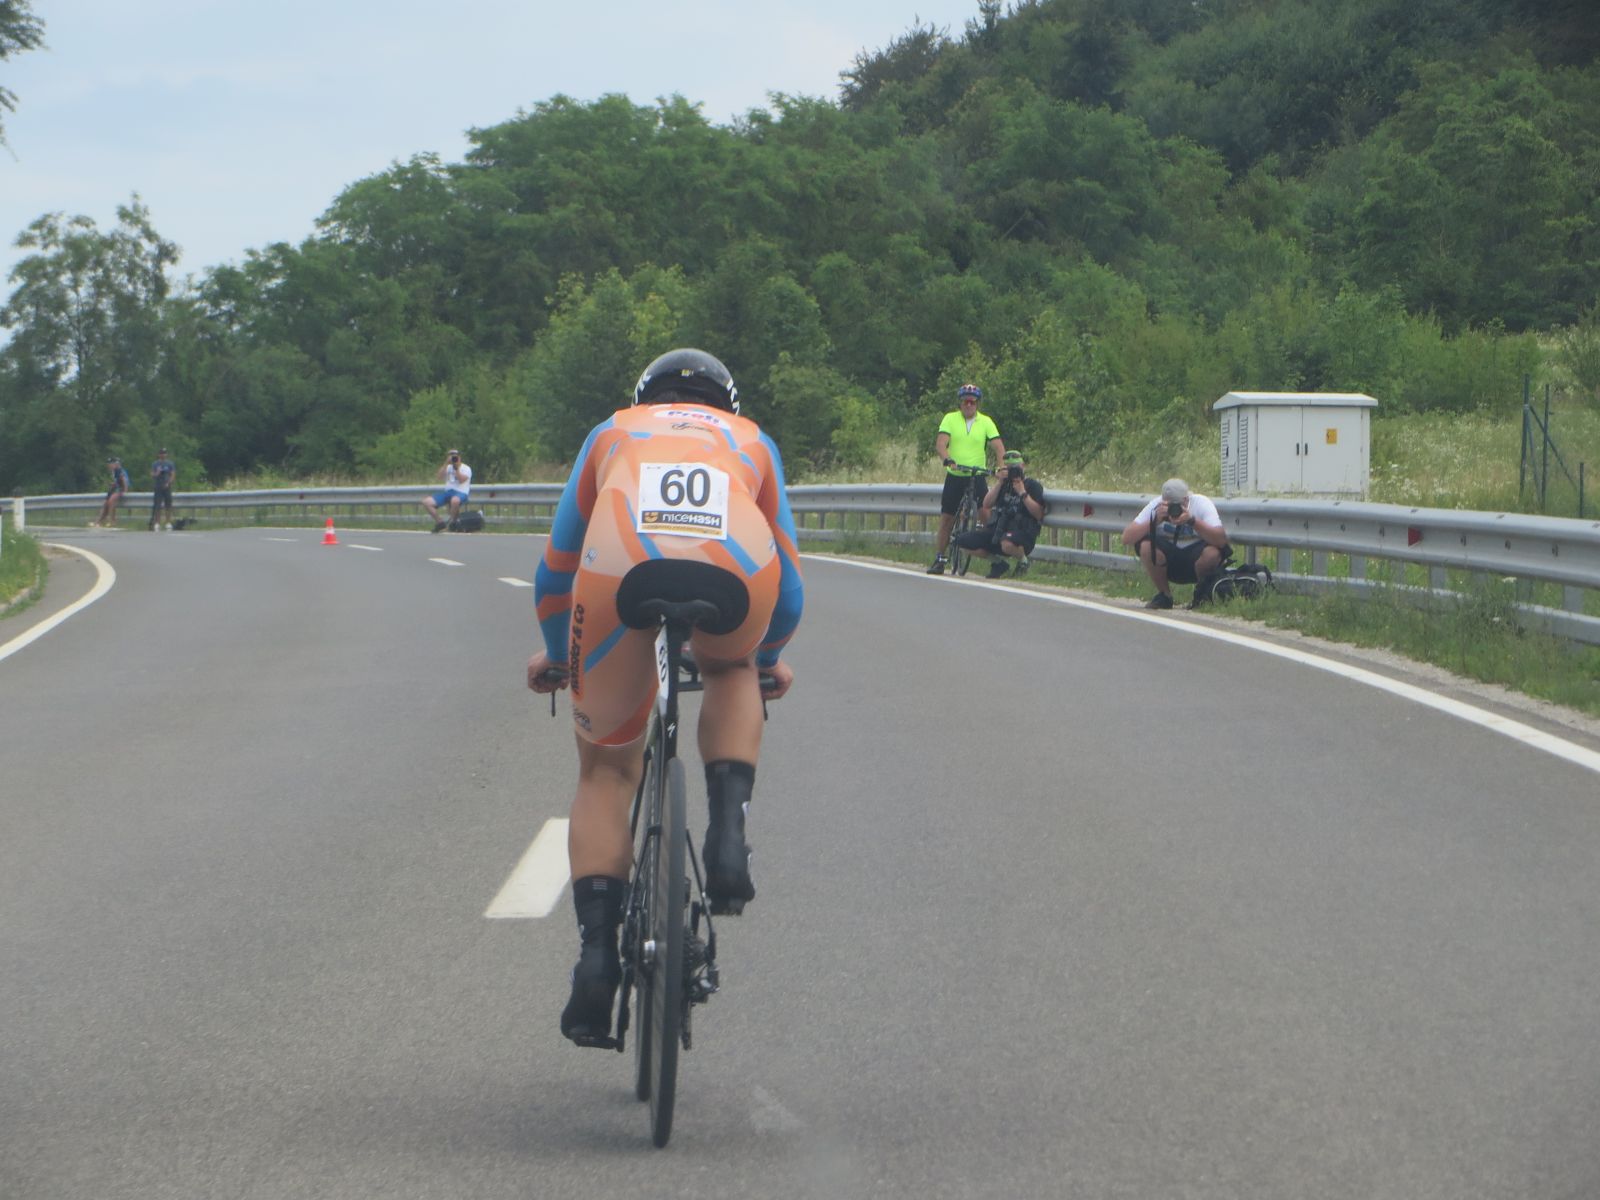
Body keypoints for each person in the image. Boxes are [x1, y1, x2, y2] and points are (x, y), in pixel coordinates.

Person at [525, 348, 804, 1048]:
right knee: (730, 668)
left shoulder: (613, 430)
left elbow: (556, 570)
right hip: (735, 569)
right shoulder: (752, 440)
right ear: (727, 405)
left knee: (605, 770)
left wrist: (560, 655)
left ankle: (596, 959)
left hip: (619, 568)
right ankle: (728, 837)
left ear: (643, 396)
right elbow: (792, 586)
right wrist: (765, 659)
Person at [927, 383, 1005, 574]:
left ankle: (995, 557)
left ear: (977, 403)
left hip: (977, 475)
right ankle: (940, 559)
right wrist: (947, 459)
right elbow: (941, 444)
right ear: (960, 403)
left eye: (972, 402)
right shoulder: (950, 419)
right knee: (947, 518)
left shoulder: (986, 422)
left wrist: (1001, 467)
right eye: (965, 402)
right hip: (955, 475)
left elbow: (998, 447)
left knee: (986, 515)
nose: (968, 405)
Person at [1120, 477, 1229, 609]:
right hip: (1168, 559)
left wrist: (1192, 521)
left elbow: (1221, 540)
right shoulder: (1156, 506)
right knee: (1146, 546)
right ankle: (1164, 596)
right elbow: (1126, 538)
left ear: (1186, 499)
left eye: (1177, 505)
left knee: (1212, 553)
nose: (1173, 510)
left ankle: (1202, 595)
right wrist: (1154, 521)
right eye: (1168, 506)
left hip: (1195, 557)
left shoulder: (1201, 503)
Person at [953, 449, 1047, 579]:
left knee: (1006, 542)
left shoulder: (1032, 485)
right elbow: (986, 504)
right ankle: (998, 563)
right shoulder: (1004, 485)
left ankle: (1024, 562)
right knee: (962, 541)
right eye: (1009, 468)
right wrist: (999, 482)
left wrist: (1022, 493)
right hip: (998, 531)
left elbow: (1039, 514)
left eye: (1016, 468)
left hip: (1022, 533)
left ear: (1023, 466)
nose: (1013, 472)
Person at [422, 449, 472, 532]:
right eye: (451, 456)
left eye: (455, 456)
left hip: (461, 492)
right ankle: (440, 522)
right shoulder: (448, 467)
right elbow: (439, 477)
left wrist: (456, 468)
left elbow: (461, 480)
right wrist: (446, 463)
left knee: (454, 500)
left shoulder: (466, 468)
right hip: (448, 492)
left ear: (459, 457)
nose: (453, 459)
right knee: (426, 502)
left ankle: (453, 523)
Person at [92, 457, 130, 527]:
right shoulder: (114, 471)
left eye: (110, 464)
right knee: (106, 503)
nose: (109, 466)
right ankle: (99, 521)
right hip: (115, 488)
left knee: (111, 500)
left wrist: (125, 490)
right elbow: (117, 481)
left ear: (115, 464)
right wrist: (112, 484)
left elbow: (124, 480)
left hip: (120, 489)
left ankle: (112, 521)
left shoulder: (119, 470)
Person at [149, 448, 176, 531]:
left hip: (167, 486)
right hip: (158, 486)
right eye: (161, 453)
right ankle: (157, 523)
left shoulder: (170, 464)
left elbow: (173, 474)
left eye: (164, 453)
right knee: (158, 505)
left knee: (168, 505)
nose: (163, 455)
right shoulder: (155, 464)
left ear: (166, 454)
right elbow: (152, 474)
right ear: (159, 455)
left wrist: (169, 483)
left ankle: (168, 522)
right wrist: (157, 473)